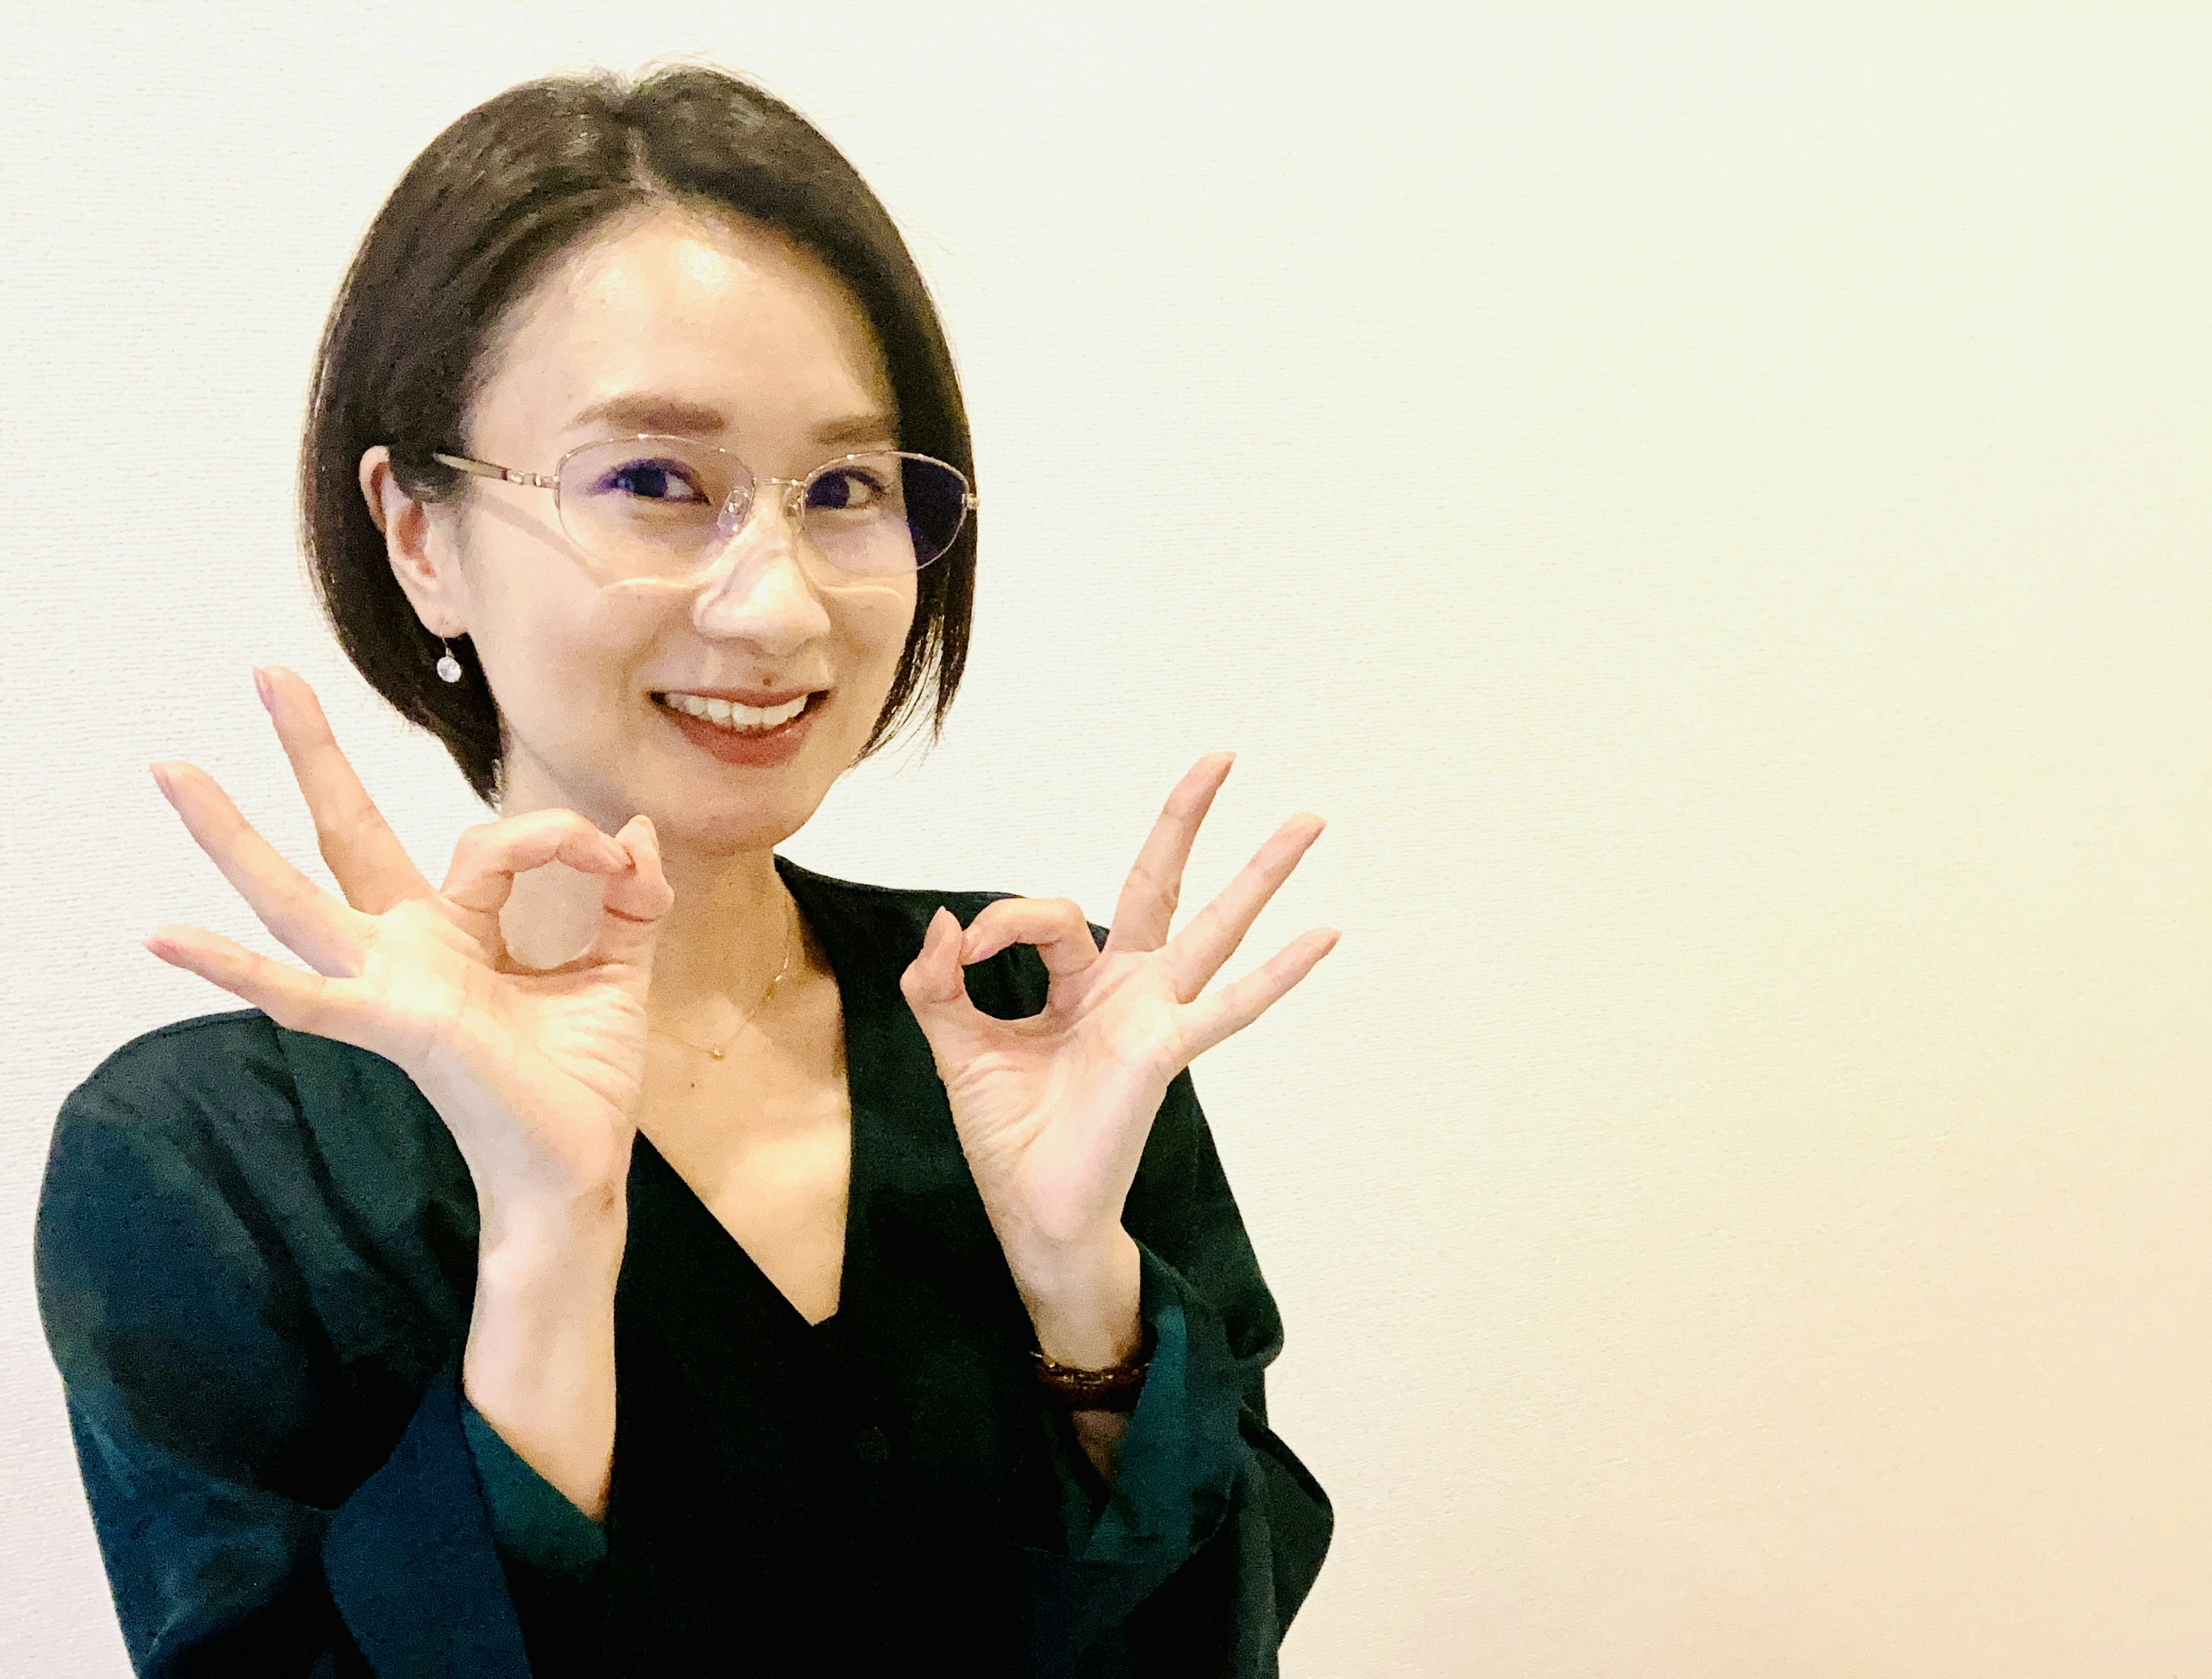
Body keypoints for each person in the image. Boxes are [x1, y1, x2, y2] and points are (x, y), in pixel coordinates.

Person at [32, 63, 1339, 1678]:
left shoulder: (1031, 1023)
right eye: (656, 481)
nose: (779, 608)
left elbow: (1223, 1641)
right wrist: (547, 1255)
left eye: (847, 489)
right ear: (420, 535)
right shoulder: (208, 1163)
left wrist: (1086, 1310)